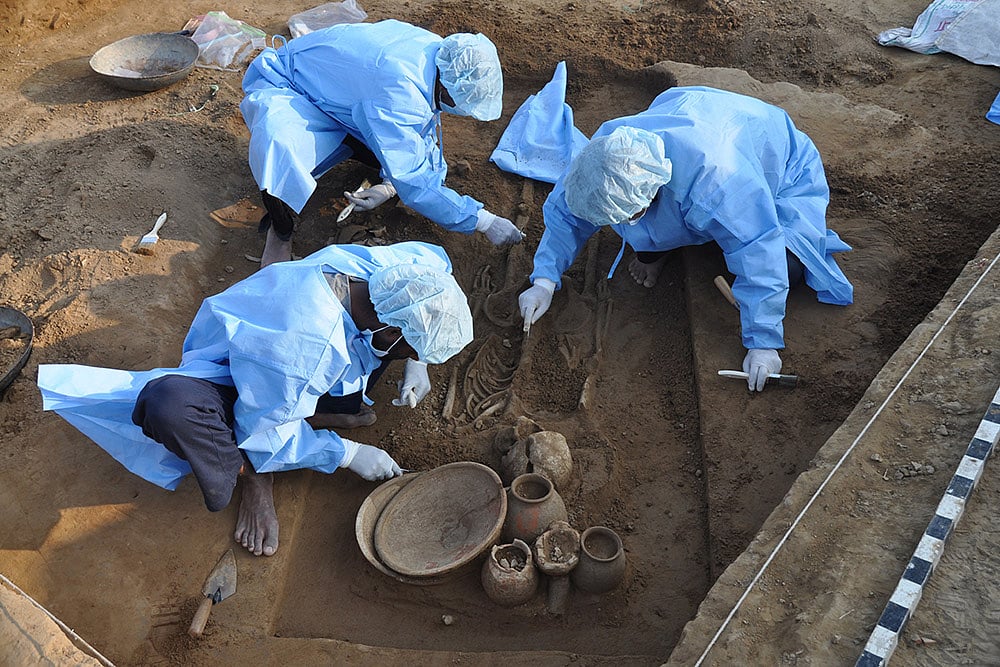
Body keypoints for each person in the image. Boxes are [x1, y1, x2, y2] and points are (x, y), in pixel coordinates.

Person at [38, 242, 474, 557]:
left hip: (285, 354)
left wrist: (419, 362)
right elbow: (265, 432)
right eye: (412, 351)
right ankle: (255, 480)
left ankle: (318, 413)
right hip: (237, 368)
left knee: (335, 395)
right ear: (392, 332)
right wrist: (347, 454)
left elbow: (438, 259)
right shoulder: (305, 354)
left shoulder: (381, 270)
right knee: (188, 412)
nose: (412, 359)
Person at [517, 86, 854, 392]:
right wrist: (544, 280)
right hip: (697, 116)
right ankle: (664, 246)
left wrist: (763, 343)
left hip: (777, 165)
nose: (618, 226)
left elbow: (758, 247)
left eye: (626, 217)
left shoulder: (720, 184)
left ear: (652, 194)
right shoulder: (606, 155)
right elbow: (567, 212)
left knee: (789, 268)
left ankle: (684, 240)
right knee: (646, 232)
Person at [241, 19, 525, 267]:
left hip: (341, 96)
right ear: (449, 86)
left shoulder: (438, 53)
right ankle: (280, 231)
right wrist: (484, 221)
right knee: (277, 152)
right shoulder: (399, 93)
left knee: (392, 150)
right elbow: (415, 180)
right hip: (290, 86)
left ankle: (365, 163)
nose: (462, 111)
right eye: (462, 102)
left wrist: (390, 183)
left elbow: (420, 133)